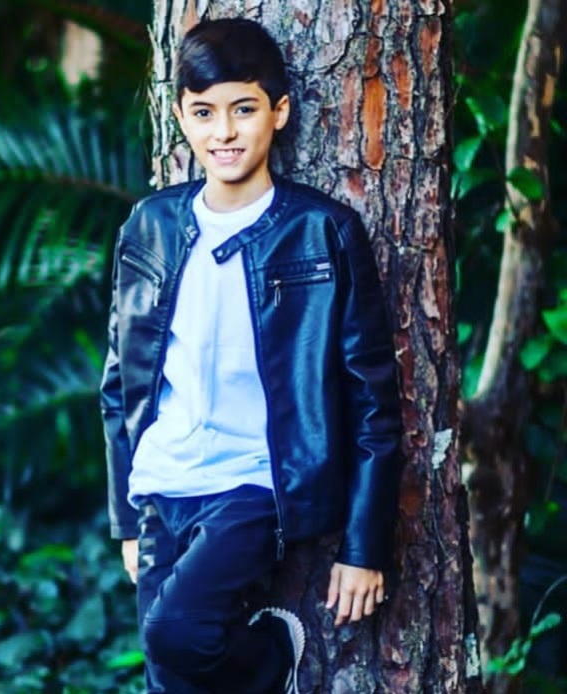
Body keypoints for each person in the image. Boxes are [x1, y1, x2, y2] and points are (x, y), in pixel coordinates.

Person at [100, 16, 402, 694]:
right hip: (162, 483)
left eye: (243, 108)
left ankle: (273, 655)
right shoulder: (150, 225)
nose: (224, 132)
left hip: (254, 482)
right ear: (181, 116)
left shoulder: (322, 230)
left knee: (174, 634)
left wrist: (364, 545)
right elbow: (121, 382)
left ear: (279, 112)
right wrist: (127, 518)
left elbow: (372, 400)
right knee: (168, 677)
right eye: (204, 112)